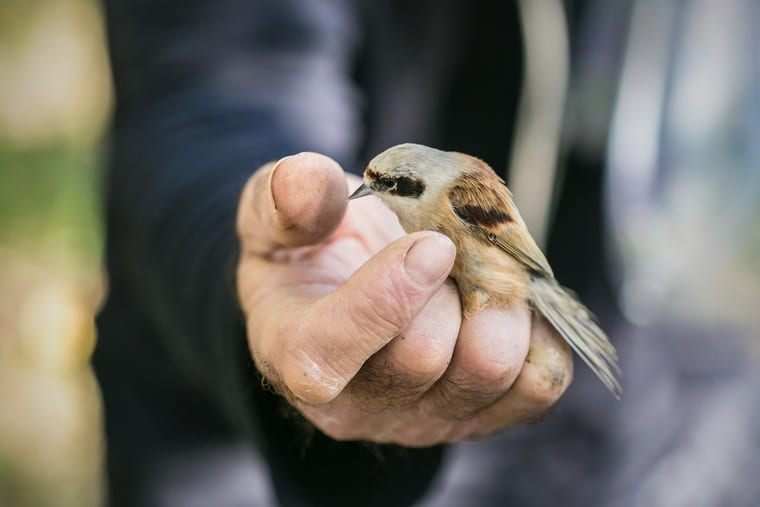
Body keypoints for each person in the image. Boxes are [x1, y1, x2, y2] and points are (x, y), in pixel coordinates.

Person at [94, 1, 760, 506]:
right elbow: (203, 87)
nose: (374, 193)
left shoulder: (459, 194)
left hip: (669, 412)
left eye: (387, 186)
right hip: (242, 442)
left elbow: (512, 254)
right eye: (374, 182)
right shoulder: (420, 199)